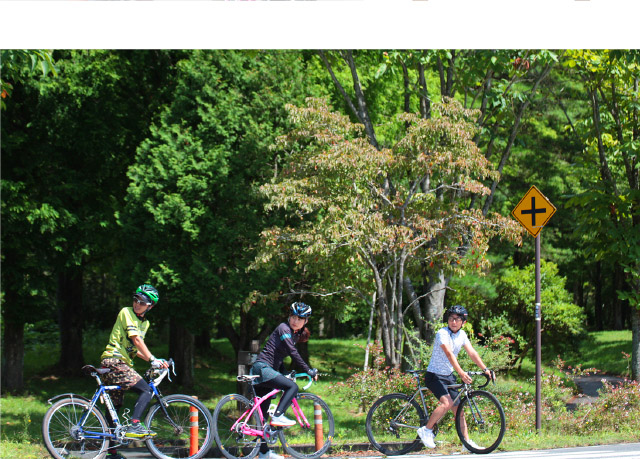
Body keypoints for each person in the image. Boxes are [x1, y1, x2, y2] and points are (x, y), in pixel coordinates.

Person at [100, 284, 169, 459]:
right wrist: (152, 359)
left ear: (150, 306)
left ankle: (111, 453)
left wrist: (155, 361)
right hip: (114, 361)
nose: (137, 304)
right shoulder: (126, 312)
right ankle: (135, 424)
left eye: (142, 302)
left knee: (114, 409)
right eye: (136, 300)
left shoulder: (144, 323)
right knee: (146, 390)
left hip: (118, 363)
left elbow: (135, 349)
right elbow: (136, 340)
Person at [417, 305, 494, 453]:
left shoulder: (462, 335)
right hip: (434, 375)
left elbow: (472, 353)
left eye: (457, 319)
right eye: (451, 318)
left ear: (463, 322)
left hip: (448, 375)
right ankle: (426, 430)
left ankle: (467, 443)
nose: (453, 322)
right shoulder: (442, 333)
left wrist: (485, 369)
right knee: (447, 403)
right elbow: (449, 353)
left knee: (459, 410)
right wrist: (460, 372)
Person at [250, 302, 319, 459]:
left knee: (263, 419)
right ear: (289, 317)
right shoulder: (283, 328)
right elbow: (292, 352)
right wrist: (308, 369)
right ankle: (279, 415)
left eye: (300, 318)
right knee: (293, 388)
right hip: (263, 368)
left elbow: (279, 358)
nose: (295, 321)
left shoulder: (293, 334)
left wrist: (285, 373)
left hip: (267, 371)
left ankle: (264, 453)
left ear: (306, 321)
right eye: (293, 317)